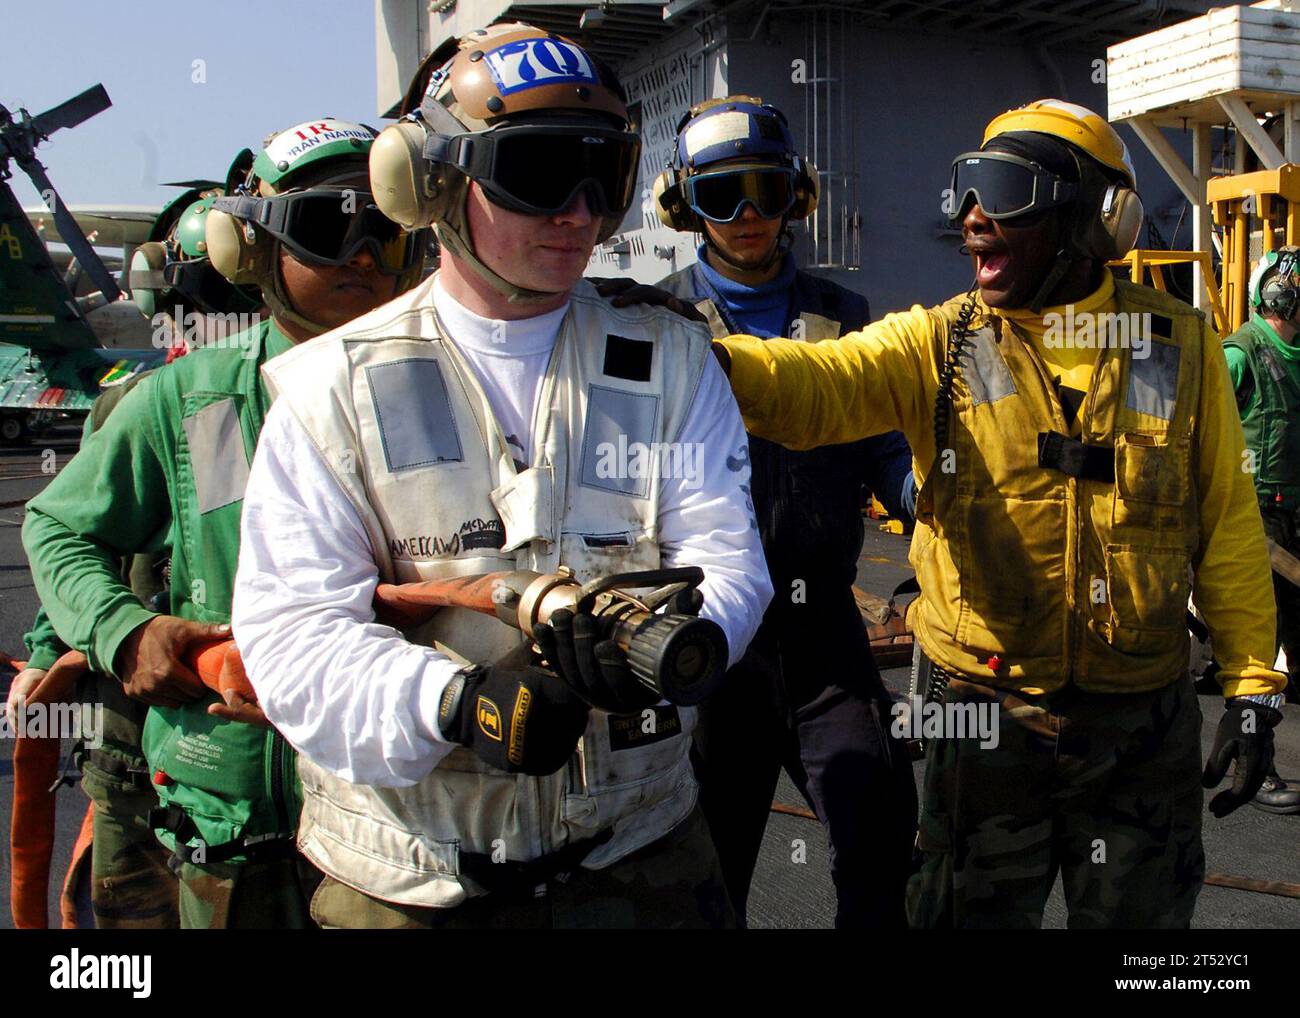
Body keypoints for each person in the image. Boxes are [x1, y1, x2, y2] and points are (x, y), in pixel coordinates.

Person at [231, 22, 772, 929]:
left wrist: (662, 644)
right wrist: (454, 704)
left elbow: (728, 561)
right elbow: (293, 636)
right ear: (431, 183)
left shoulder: (675, 360)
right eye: (539, 173)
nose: (579, 213)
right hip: (413, 883)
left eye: (604, 174)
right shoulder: (330, 392)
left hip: (640, 860)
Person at [710, 99, 1287, 928]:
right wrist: (697, 353)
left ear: (1099, 217)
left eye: (1009, 192)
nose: (974, 218)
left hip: (1139, 731)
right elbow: (812, 385)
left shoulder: (1174, 344)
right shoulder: (944, 345)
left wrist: (1253, 686)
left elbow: (1226, 520)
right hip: (985, 721)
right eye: (969, 190)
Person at [21, 118, 428, 928]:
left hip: (411, 830)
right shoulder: (191, 400)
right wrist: (124, 632)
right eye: (326, 227)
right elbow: (59, 527)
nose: (362, 257)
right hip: (240, 840)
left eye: (384, 229)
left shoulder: (455, 385)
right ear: (253, 248)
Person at [652, 95, 918, 927]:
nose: (747, 215)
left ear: (796, 194)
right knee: (704, 869)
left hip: (822, 631)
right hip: (706, 636)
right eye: (721, 193)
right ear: (683, 204)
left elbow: (886, 442)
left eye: (765, 190)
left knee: (881, 826)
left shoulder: (844, 316)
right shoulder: (657, 322)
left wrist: (926, 494)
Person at [1221, 247, 1300, 813]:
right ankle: (1256, 770)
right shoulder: (1240, 354)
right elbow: (1197, 430)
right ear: (1281, 296)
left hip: (1297, 519)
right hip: (1255, 522)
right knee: (1258, 652)